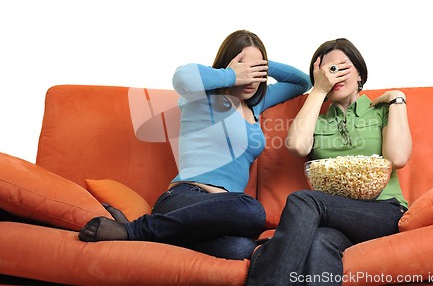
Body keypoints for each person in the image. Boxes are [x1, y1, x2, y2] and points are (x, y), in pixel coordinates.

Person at [78, 30, 312, 260]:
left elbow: (302, 82)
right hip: (184, 199)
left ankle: (148, 233)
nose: (250, 76)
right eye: (244, 66)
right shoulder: (201, 96)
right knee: (253, 210)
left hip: (220, 215)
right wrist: (232, 75)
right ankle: (134, 231)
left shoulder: (255, 105)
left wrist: (261, 65)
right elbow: (183, 77)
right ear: (228, 65)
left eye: (257, 70)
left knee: (240, 250)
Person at [245, 38, 412, 285]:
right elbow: (297, 146)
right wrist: (319, 89)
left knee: (303, 199)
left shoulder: (382, 110)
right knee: (320, 242)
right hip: (335, 221)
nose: (334, 75)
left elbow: (398, 158)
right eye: (327, 71)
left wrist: (397, 99)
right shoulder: (317, 121)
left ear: (359, 73)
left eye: (341, 67)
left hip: (383, 212)